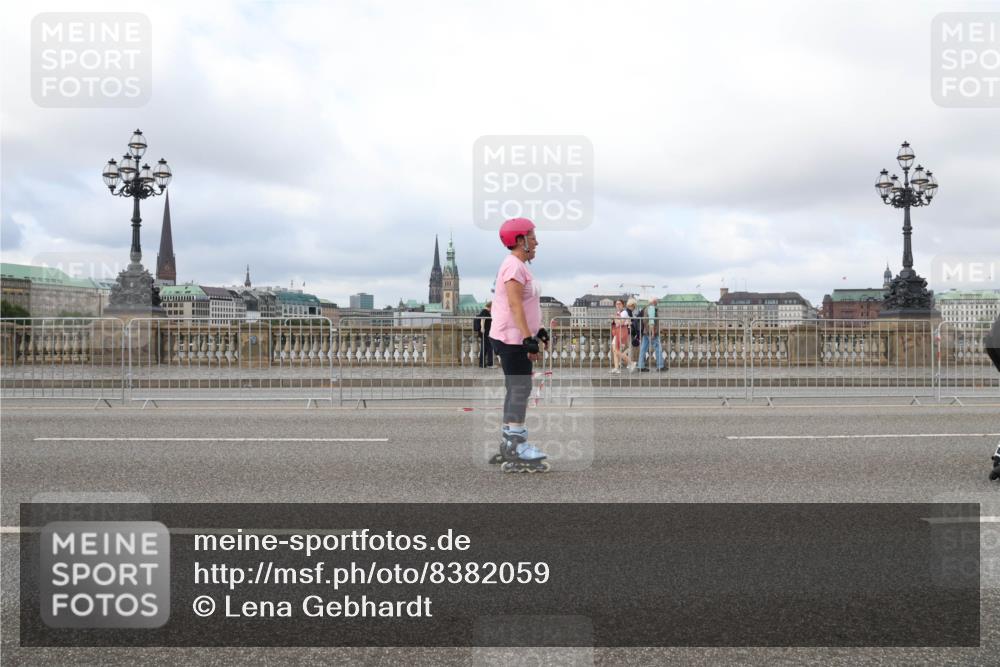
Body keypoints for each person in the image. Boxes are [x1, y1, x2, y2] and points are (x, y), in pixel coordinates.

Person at [488, 218, 550, 473]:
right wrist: (528, 339)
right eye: (533, 237)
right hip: (512, 338)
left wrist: (539, 329)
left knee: (516, 388)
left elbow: (527, 304)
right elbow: (514, 305)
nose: (537, 242)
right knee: (520, 388)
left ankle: (509, 441)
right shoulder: (513, 266)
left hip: (515, 336)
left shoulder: (519, 266)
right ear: (521, 240)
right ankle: (516, 445)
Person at [638, 297, 665, 372]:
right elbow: (651, 321)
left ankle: (640, 366)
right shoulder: (652, 308)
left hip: (645, 331)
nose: (657, 303)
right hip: (651, 331)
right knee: (658, 348)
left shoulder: (645, 308)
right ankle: (660, 366)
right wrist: (653, 332)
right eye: (656, 302)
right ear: (654, 302)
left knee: (643, 349)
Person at [610, 299, 630, 373]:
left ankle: (631, 363)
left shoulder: (624, 312)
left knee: (616, 350)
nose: (618, 305)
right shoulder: (618, 313)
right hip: (618, 332)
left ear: (623, 305)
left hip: (622, 332)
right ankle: (616, 368)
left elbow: (621, 323)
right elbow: (616, 323)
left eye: (619, 304)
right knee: (615, 351)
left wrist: (614, 318)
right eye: (616, 304)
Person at [473, 301, 493, 368]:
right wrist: (482, 328)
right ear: (490, 306)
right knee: (489, 348)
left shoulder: (484, 311)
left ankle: (482, 364)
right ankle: (490, 364)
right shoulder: (485, 311)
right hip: (485, 332)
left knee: (484, 349)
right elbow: (482, 320)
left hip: (485, 332)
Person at [626, 297, 640, 372]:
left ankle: (630, 362)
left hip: (629, 331)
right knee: (630, 348)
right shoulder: (629, 312)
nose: (634, 307)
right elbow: (630, 322)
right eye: (633, 306)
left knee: (630, 348)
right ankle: (630, 363)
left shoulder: (629, 311)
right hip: (629, 331)